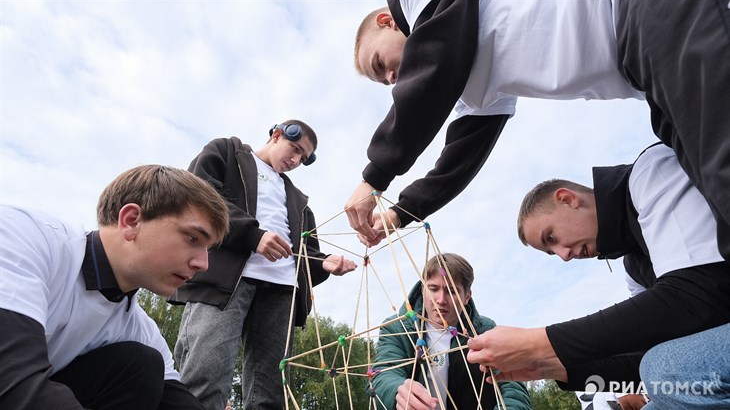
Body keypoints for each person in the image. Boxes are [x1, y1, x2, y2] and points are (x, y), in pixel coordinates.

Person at [345, 0, 730, 264]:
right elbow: (458, 160)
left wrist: (374, 177)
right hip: (643, 72)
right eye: (386, 82)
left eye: (381, 64)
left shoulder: (420, 10)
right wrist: (402, 212)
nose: (394, 79)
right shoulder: (465, 78)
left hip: (644, 13)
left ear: (388, 21)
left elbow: (432, 67)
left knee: (722, 170)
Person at [465, 144, 730, 407]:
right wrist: (551, 368)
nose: (564, 256)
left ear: (568, 199)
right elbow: (642, 369)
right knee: (657, 388)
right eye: (551, 252)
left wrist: (537, 342)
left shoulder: (651, 174)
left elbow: (700, 296)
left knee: (661, 367)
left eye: (552, 237)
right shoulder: (634, 270)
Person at [0, 164, 230, 409]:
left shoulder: (140, 330)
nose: (203, 264)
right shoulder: (23, 238)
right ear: (131, 221)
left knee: (143, 364)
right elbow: (14, 385)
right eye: (192, 238)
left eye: (208, 249)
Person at [169, 120, 358, 410]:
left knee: (270, 391)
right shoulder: (227, 153)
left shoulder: (299, 201)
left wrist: (324, 264)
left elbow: (308, 253)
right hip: (227, 281)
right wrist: (253, 236)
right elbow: (198, 194)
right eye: (295, 149)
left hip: (282, 291)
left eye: (303, 158)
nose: (295, 160)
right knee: (207, 373)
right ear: (277, 134)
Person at [371, 253, 531, 409]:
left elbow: (512, 388)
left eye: (451, 291)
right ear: (422, 289)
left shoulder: (485, 331)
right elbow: (383, 375)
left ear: (467, 296)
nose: (440, 300)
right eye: (433, 289)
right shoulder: (397, 328)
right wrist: (397, 390)